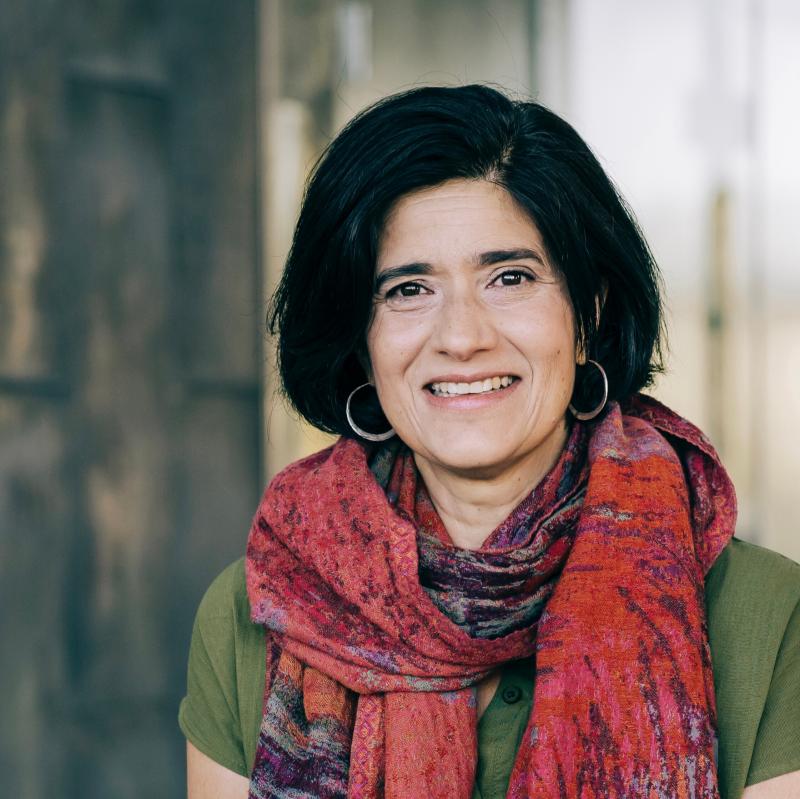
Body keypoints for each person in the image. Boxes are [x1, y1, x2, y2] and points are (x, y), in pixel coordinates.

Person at [179, 85, 800, 799]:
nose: (463, 336)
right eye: (408, 289)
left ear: (587, 312)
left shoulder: (763, 615)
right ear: (361, 341)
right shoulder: (266, 608)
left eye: (510, 277)